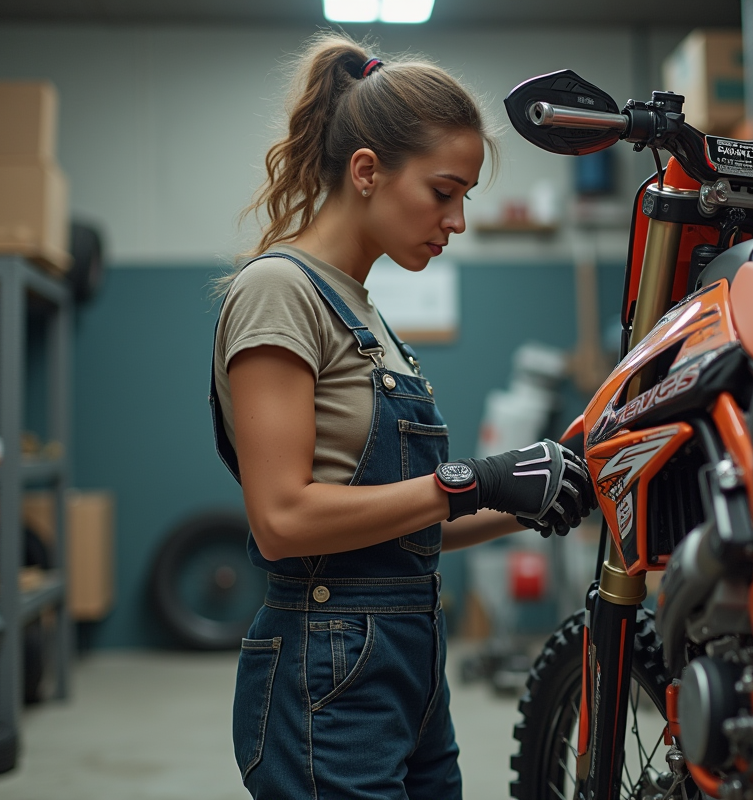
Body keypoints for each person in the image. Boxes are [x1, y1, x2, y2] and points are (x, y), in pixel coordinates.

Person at [209, 34, 596, 800]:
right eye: (443, 191)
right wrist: (476, 479)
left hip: (411, 663)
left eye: (466, 199)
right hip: (329, 665)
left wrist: (530, 498)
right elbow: (283, 518)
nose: (456, 220)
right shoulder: (278, 293)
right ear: (366, 172)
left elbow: (408, 525)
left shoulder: (369, 315)